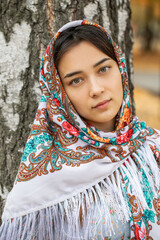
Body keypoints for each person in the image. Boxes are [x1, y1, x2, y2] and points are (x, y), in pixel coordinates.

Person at [0, 20, 160, 240]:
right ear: (59, 94)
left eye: (103, 69)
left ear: (120, 68)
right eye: (76, 81)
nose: (95, 89)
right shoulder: (44, 183)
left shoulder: (152, 147)